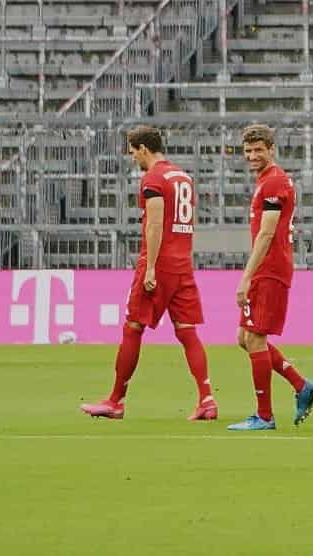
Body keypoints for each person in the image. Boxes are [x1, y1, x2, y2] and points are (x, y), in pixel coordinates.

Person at [81, 127, 216, 421]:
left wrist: (151, 267)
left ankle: (116, 400)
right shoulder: (183, 177)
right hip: (182, 264)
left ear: (143, 149)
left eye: (133, 152)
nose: (133, 159)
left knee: (133, 327)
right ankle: (207, 399)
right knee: (186, 331)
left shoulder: (153, 178)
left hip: (159, 263)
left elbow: (155, 224)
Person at [226, 124, 313, 432]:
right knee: (244, 338)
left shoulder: (274, 182)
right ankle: (300, 384)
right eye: (248, 151)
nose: (252, 156)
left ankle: (264, 415)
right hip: (267, 268)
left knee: (255, 338)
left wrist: (246, 277)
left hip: (270, 269)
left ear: (271, 149)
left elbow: (267, 233)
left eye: (258, 150)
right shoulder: (266, 181)